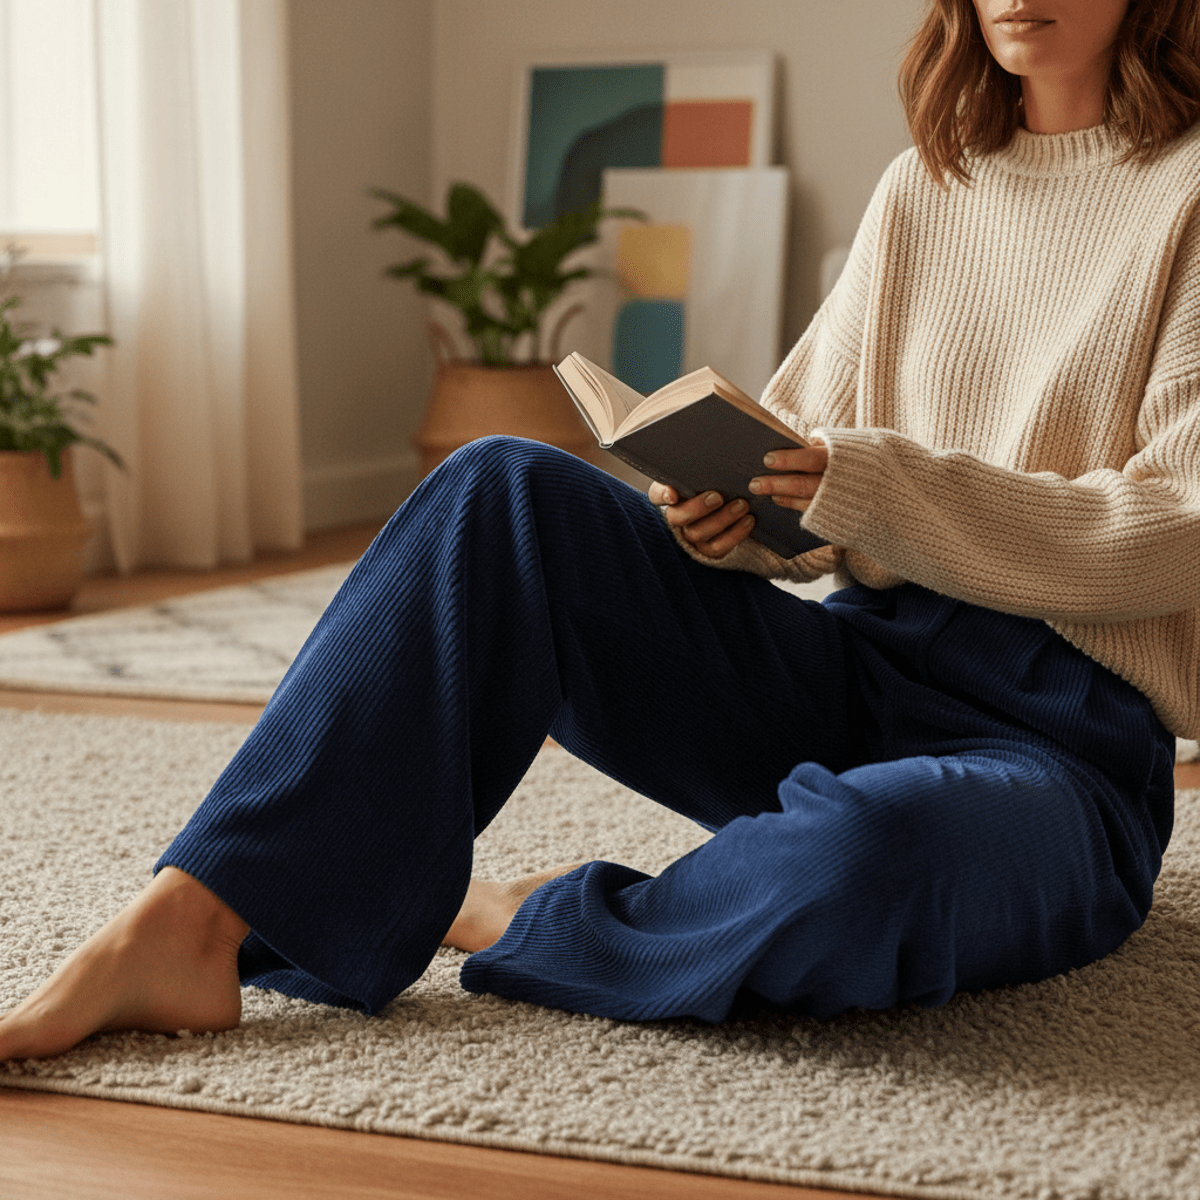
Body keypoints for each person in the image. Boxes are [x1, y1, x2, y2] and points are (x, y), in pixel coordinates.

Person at [4, 0, 1200, 1061]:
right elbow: (812, 471)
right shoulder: (926, 187)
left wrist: (863, 485)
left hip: (1059, 750)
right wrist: (726, 515)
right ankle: (187, 923)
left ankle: (527, 915)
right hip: (858, 669)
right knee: (501, 490)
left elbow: (1174, 529)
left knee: (866, 858)